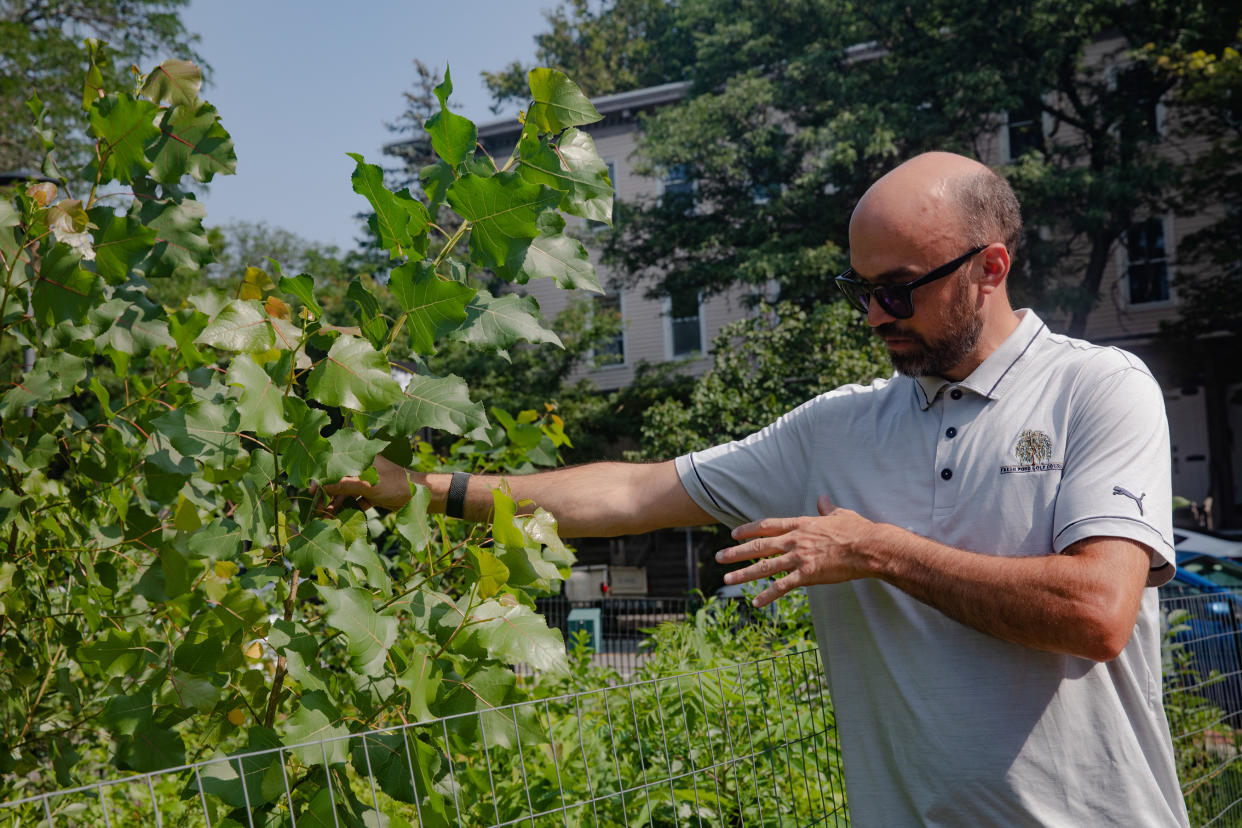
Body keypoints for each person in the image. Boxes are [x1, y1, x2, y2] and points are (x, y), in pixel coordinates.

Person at [325, 151, 1190, 826]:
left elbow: (1096, 613)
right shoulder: (836, 428)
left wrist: (877, 550)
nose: (873, 316)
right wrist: (419, 487)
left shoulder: (1098, 389)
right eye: (859, 290)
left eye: (895, 291)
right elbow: (629, 495)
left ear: (989, 268)